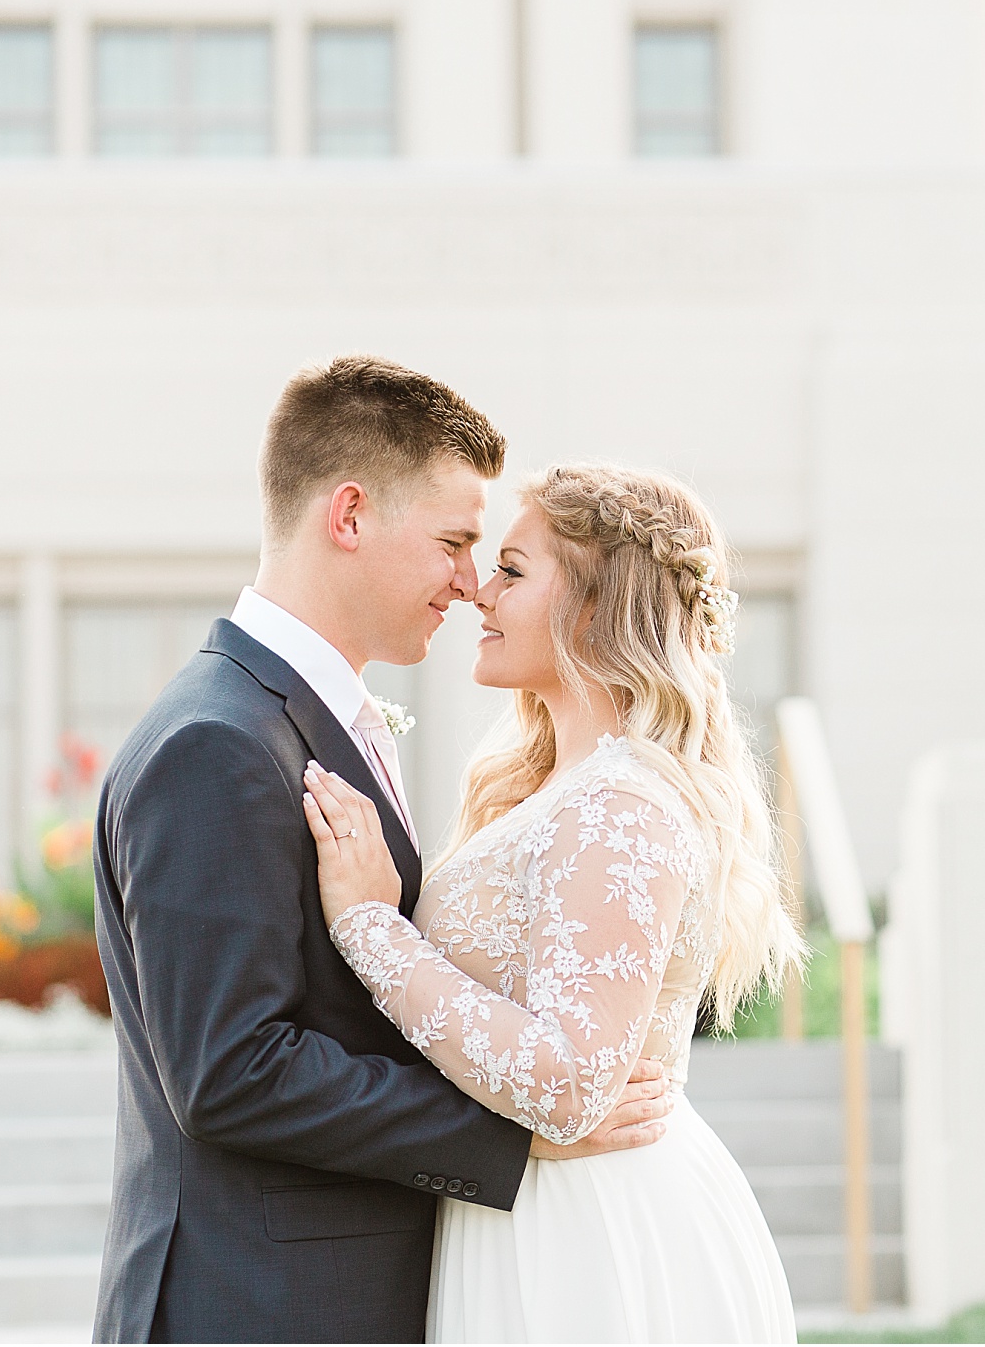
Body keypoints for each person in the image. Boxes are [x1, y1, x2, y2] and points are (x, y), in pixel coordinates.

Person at [92, 358, 670, 1344]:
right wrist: (514, 1134)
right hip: (263, 1311)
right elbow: (233, 1071)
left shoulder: (296, 720)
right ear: (349, 515)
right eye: (452, 541)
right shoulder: (217, 745)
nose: (466, 581)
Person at [302, 462, 803, 1342]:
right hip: (532, 1217)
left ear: (597, 608)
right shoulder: (559, 788)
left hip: (591, 1239)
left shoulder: (620, 806)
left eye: (514, 571)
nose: (478, 594)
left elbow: (570, 1084)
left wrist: (369, 928)